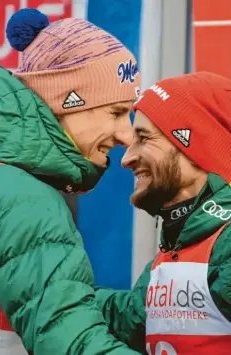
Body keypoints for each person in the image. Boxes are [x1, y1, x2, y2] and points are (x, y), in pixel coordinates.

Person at [0, 7, 141, 355]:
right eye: (116, 112)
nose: (127, 135)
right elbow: (68, 341)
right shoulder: (26, 196)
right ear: (67, 101)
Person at [96, 71, 231, 355]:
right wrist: (43, 294)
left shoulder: (223, 241)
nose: (127, 159)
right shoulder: (185, 238)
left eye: (144, 138)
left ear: (193, 146)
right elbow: (129, 318)